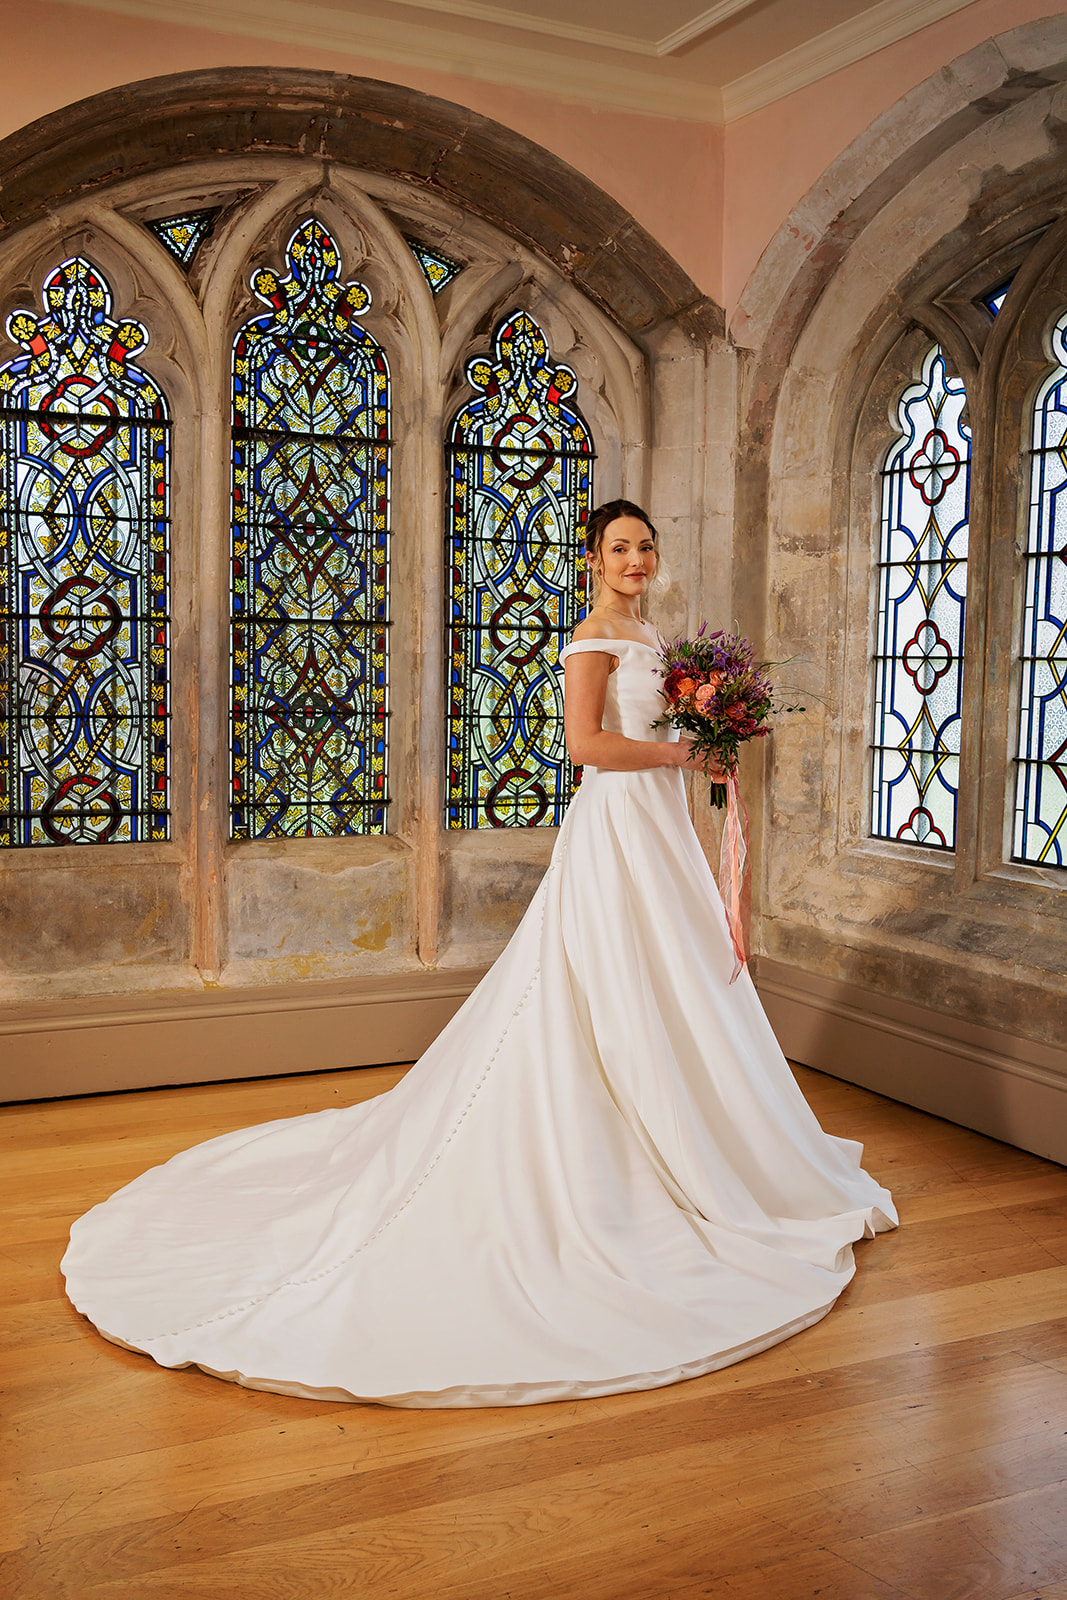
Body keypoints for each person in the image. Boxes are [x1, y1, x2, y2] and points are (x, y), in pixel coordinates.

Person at [62, 500, 896, 1409]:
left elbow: (650, 732)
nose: (636, 558)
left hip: (659, 827)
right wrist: (682, 757)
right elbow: (585, 746)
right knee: (609, 972)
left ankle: (710, 1132)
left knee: (681, 972)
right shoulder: (592, 639)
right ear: (592, 557)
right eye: (620, 547)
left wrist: (701, 735)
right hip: (620, 822)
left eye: (646, 546)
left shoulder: (649, 633)